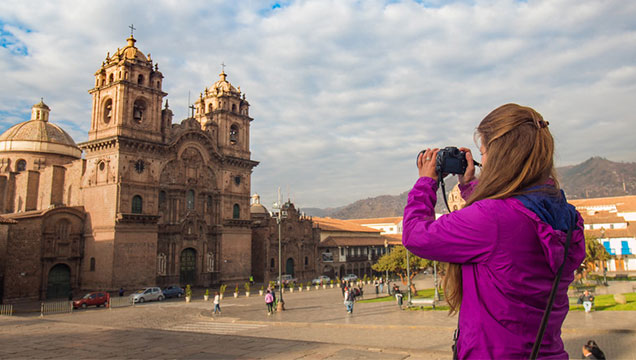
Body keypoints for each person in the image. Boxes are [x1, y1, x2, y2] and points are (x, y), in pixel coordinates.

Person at [402, 104, 585, 359]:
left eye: (484, 152)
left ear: (501, 156)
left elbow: (415, 235)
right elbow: (507, 240)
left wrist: (426, 182)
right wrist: (470, 188)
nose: (482, 161)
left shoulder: (493, 219)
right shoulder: (568, 216)